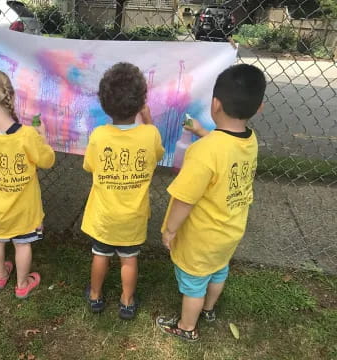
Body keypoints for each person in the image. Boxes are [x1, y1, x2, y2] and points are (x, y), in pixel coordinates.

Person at [156, 64, 266, 341]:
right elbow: (224, 151)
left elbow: (185, 199)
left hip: (201, 237)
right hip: (230, 230)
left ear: (215, 103)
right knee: (218, 271)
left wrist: (170, 229)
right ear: (259, 108)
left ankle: (187, 327)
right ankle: (209, 309)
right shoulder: (250, 141)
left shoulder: (202, 153)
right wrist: (204, 131)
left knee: (194, 282)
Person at [82, 62, 165, 320]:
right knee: (129, 259)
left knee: (100, 255)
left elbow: (89, 166)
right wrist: (148, 119)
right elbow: (158, 155)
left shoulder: (98, 135)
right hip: (133, 218)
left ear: (104, 104)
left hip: (104, 218)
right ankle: (127, 301)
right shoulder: (149, 135)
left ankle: (95, 295)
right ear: (142, 102)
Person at [0, 69, 55, 298]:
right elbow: (47, 160)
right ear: (11, 96)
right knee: (22, 245)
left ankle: (0, 275)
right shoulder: (27, 134)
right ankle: (22, 284)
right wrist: (43, 138)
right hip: (23, 211)